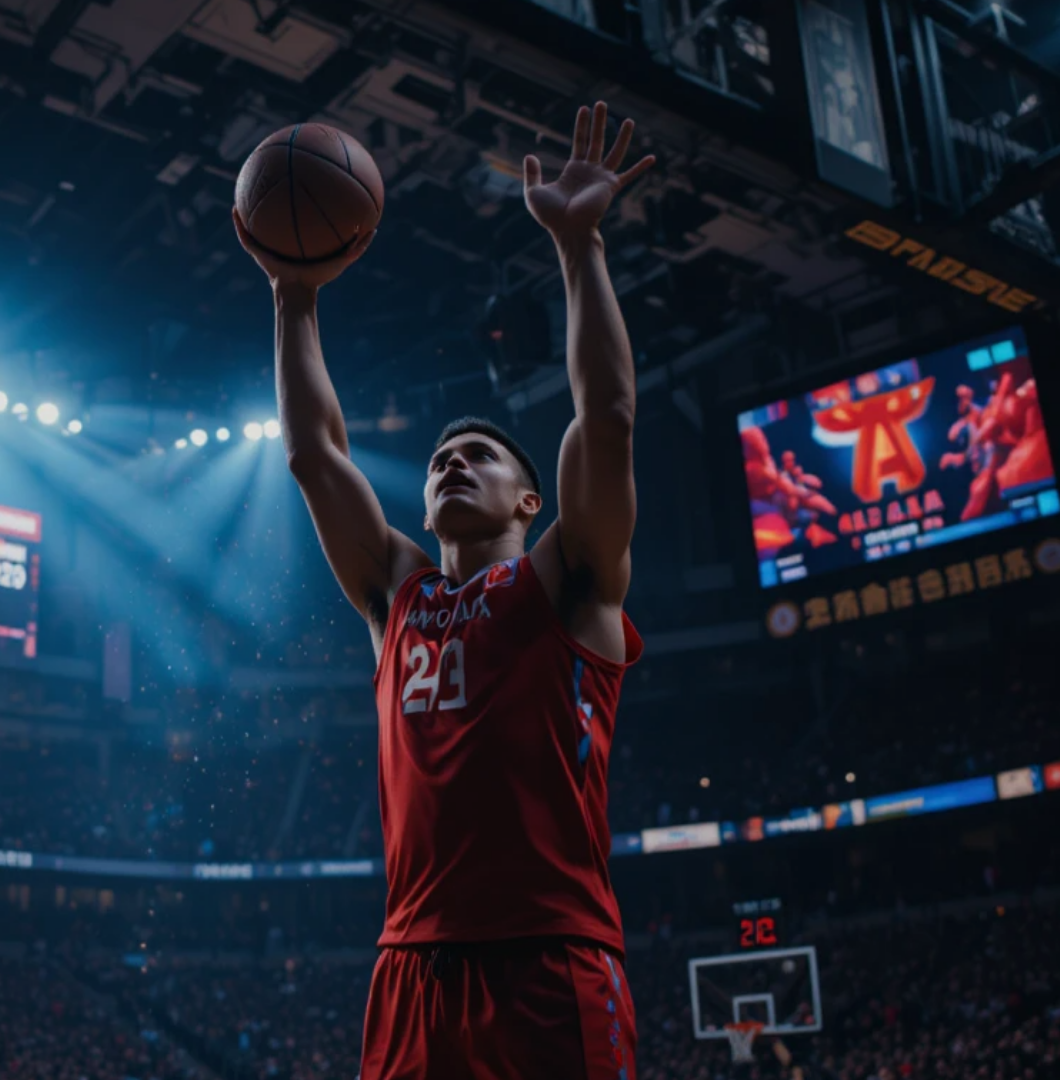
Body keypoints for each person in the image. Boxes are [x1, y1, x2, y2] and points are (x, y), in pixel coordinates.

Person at [234, 102, 654, 1079]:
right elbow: (312, 454)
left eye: (479, 455)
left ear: (531, 496)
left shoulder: (568, 581)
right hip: (412, 971)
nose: (452, 464)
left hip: (552, 961)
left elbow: (611, 415)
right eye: (438, 461)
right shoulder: (397, 598)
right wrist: (294, 298)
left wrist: (580, 246)